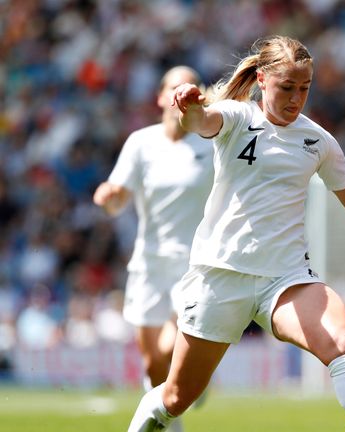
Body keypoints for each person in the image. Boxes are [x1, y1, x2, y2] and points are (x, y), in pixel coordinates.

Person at [127, 35, 345, 432]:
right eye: (287, 87)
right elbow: (200, 122)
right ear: (262, 80)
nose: (296, 98)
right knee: (177, 398)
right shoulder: (235, 116)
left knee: (339, 338)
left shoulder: (317, 139)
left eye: (304, 88)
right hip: (221, 275)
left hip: (285, 278)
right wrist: (189, 108)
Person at [94, 66, 214, 431]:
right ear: (161, 96)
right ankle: (175, 415)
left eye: (190, 88)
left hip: (195, 265)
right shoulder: (141, 143)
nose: (181, 94)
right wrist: (108, 198)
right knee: (152, 365)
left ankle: (195, 375)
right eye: (174, 87)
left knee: (168, 349)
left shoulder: (211, 142)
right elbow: (117, 198)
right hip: (148, 263)